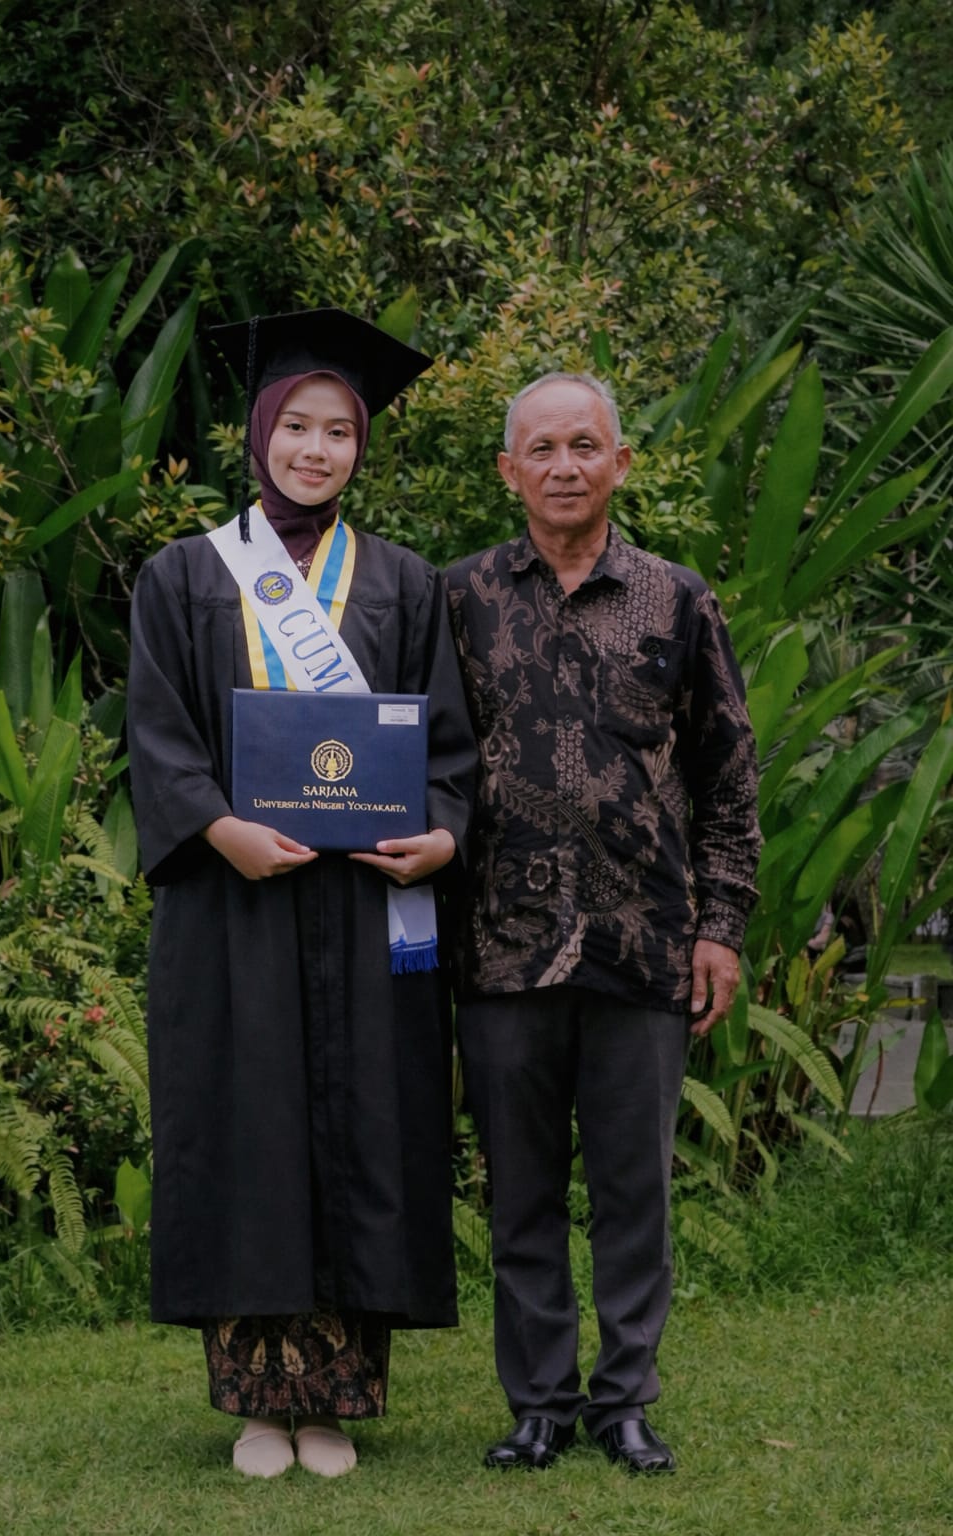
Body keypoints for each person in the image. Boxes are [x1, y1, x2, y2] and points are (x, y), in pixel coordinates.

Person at [127, 307, 477, 1480]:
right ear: (258, 432)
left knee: (358, 1128)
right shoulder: (184, 575)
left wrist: (440, 836)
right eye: (296, 426)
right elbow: (157, 732)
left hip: (365, 908)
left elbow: (447, 744)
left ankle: (330, 1403)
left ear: (360, 447)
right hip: (234, 903)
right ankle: (253, 1404)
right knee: (248, 1125)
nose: (315, 450)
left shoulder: (405, 583)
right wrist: (217, 827)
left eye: (339, 432)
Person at [445, 372, 761, 1474]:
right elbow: (426, 759)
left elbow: (728, 776)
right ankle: (539, 1402)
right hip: (502, 946)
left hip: (644, 940)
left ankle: (624, 1400)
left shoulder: (678, 599)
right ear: (509, 471)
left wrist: (721, 924)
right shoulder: (460, 598)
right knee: (520, 1192)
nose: (564, 466)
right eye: (541, 449)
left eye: (585, 445)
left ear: (620, 462)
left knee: (635, 1192)